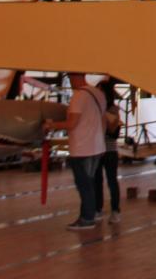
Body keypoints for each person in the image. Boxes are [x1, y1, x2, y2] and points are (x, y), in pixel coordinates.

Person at [44, 73, 106, 230]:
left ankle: (87, 218)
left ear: (75, 78)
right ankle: (93, 213)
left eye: (71, 79)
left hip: (82, 148)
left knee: (84, 185)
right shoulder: (98, 94)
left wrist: (52, 125)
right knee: (90, 183)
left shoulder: (79, 96)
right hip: (98, 146)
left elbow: (72, 123)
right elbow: (103, 120)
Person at [93, 79, 122, 224]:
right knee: (96, 180)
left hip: (109, 149)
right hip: (96, 149)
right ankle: (98, 209)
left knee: (112, 180)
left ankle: (115, 210)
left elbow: (112, 129)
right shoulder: (93, 108)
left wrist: (104, 116)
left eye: (101, 91)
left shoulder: (113, 109)